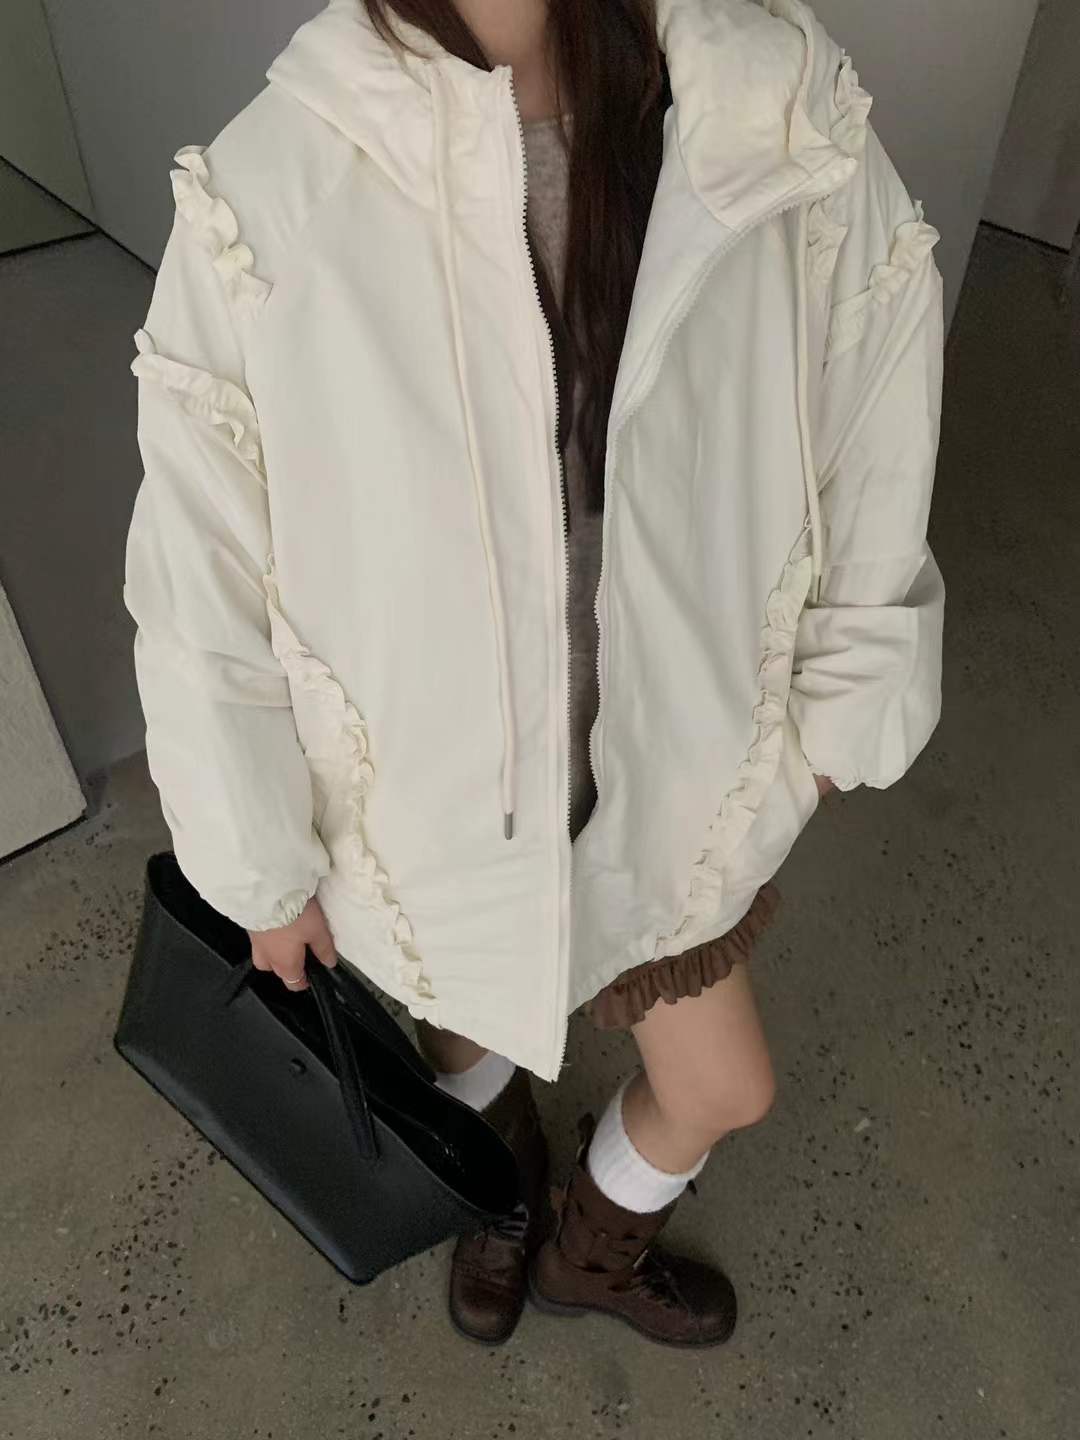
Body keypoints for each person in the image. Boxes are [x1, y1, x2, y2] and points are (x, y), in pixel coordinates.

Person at [124, 0, 945, 1349]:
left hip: (674, 786)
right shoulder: (273, 185)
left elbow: (875, 396)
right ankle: (498, 1196)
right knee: (466, 1039)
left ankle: (590, 1250)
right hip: (428, 810)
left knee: (722, 1086)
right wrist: (257, 864)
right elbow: (200, 569)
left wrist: (837, 708)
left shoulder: (767, 105)